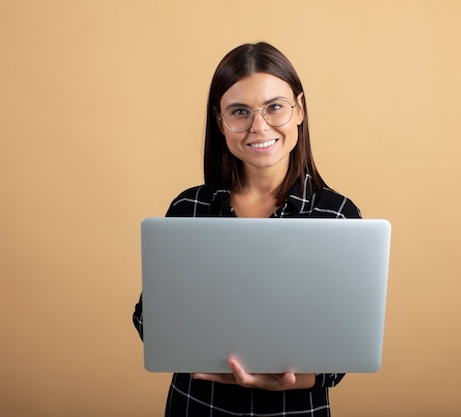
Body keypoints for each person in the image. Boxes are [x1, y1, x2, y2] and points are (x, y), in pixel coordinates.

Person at [133, 41, 361, 417]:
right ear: (220, 120)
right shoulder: (188, 209)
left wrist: (286, 379)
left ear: (299, 110)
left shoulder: (336, 215)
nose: (259, 127)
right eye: (240, 111)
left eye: (275, 107)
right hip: (198, 406)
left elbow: (346, 347)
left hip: (294, 409)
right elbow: (150, 319)